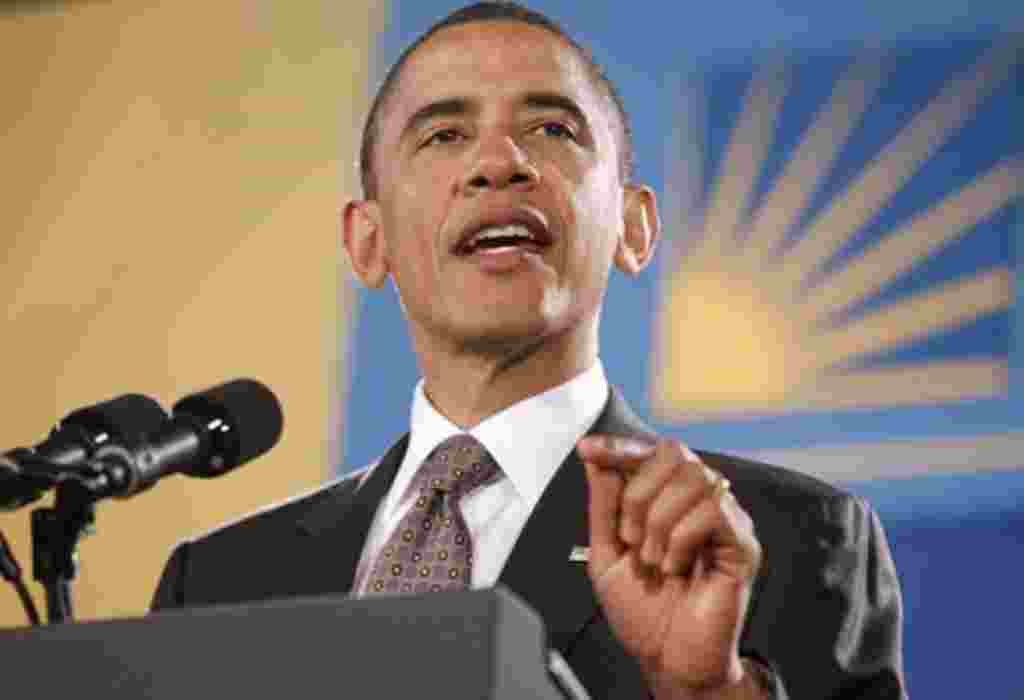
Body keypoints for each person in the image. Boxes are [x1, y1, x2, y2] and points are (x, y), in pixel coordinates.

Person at [151, 3, 906, 698]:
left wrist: (711, 694)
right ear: (368, 240)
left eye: (552, 129)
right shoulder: (219, 583)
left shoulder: (792, 540)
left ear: (634, 228)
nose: (499, 162)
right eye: (444, 135)